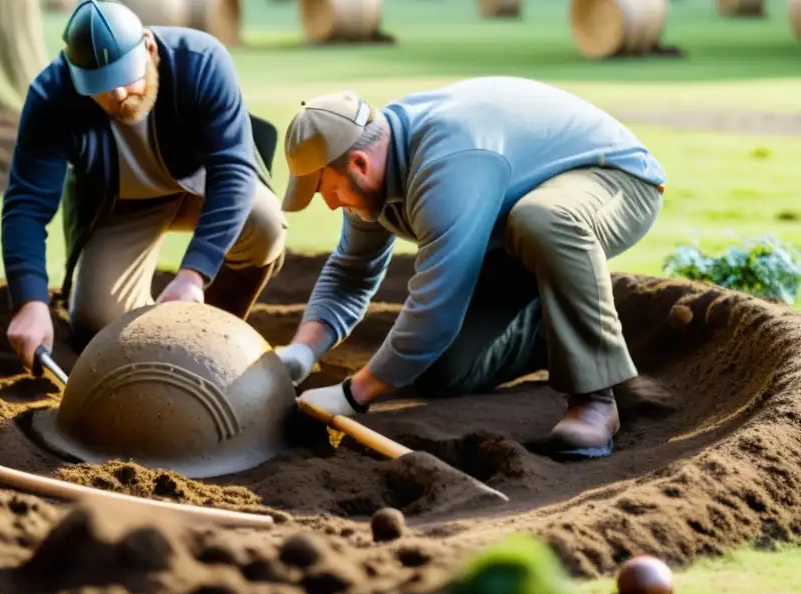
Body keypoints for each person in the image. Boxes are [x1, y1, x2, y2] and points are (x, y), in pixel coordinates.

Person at [273, 77, 667, 460]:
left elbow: (436, 307)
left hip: (615, 179)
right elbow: (351, 272)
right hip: (514, 222)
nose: (330, 206)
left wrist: (352, 395)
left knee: (541, 220)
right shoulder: (371, 172)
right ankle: (568, 330)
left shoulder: (446, 161)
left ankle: (594, 397)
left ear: (358, 164)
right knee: (441, 370)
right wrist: (303, 351)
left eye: (329, 191)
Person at [1, 0, 288, 369]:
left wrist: (193, 275)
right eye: (100, 87)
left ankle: (220, 345)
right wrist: (30, 302)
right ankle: (159, 351)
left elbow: (233, 171)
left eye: (125, 78)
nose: (118, 96)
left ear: (149, 48)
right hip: (121, 204)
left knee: (264, 224)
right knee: (96, 320)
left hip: (200, 189)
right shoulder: (52, 96)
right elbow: (26, 204)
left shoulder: (200, 60)